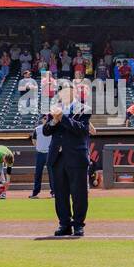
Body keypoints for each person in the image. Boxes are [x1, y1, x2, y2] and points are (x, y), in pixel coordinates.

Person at [43, 89, 91, 236]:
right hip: (57, 157)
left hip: (76, 156)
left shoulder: (84, 109)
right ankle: (64, 224)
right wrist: (54, 121)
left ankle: (78, 224)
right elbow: (46, 131)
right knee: (60, 194)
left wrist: (62, 118)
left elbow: (82, 129)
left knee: (79, 193)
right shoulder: (55, 109)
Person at [30, 116, 52, 198]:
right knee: (38, 174)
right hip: (40, 153)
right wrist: (39, 147)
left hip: (49, 153)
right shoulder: (37, 129)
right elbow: (34, 140)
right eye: (44, 118)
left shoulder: (52, 128)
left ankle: (53, 192)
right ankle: (35, 193)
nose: (46, 120)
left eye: (47, 118)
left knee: (52, 174)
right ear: (42, 119)